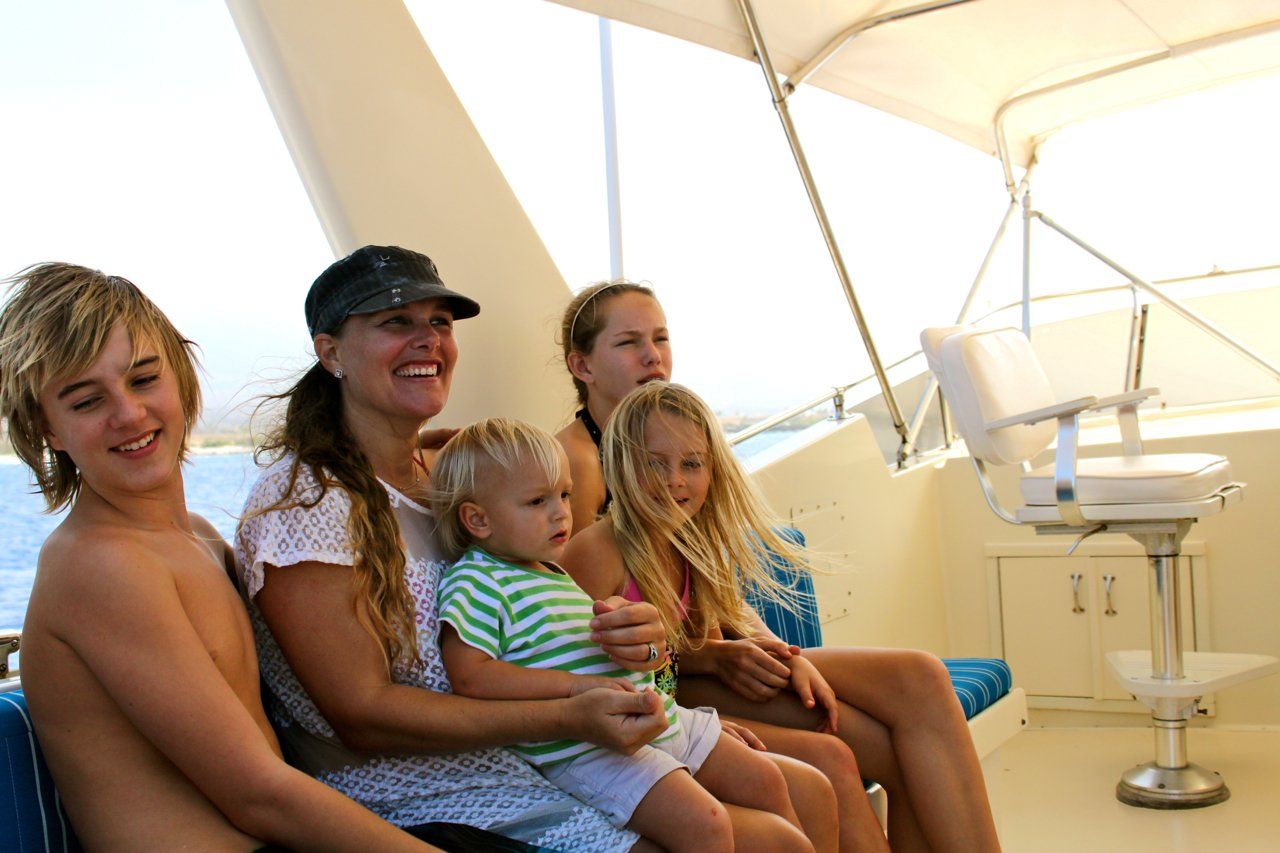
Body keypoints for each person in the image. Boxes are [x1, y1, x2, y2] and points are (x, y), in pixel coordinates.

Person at [236, 245, 695, 851]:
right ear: (330, 352)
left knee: (781, 815)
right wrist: (568, 714)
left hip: (531, 753)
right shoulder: (308, 503)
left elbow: (532, 618)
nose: (426, 339)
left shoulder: (448, 476)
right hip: (420, 791)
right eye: (395, 321)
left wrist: (636, 639)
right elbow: (362, 714)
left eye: (439, 323)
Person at [0, 262, 436, 851]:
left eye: (143, 379)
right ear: (45, 427)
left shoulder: (198, 538)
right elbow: (257, 795)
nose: (128, 414)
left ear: (179, 378)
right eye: (85, 402)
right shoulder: (100, 566)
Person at [563, 382, 1002, 852]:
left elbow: (709, 630)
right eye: (655, 462)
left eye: (691, 464)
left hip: (697, 679)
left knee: (920, 677)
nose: (675, 480)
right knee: (832, 755)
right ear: (623, 464)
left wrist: (782, 653)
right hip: (664, 705)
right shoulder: (596, 553)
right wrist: (702, 690)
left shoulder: (691, 537)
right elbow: (581, 673)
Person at [432, 417, 834, 852]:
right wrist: (578, 689)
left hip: (656, 714)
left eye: (565, 494)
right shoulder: (479, 581)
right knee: (708, 823)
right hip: (587, 746)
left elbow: (659, 664)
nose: (561, 511)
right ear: (477, 519)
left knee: (765, 779)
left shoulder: (550, 572)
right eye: (536, 501)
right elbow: (471, 677)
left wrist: (664, 685)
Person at [556, 281, 671, 534]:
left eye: (660, 338)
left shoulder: (666, 442)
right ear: (583, 367)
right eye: (628, 342)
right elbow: (574, 572)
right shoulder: (578, 461)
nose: (654, 356)